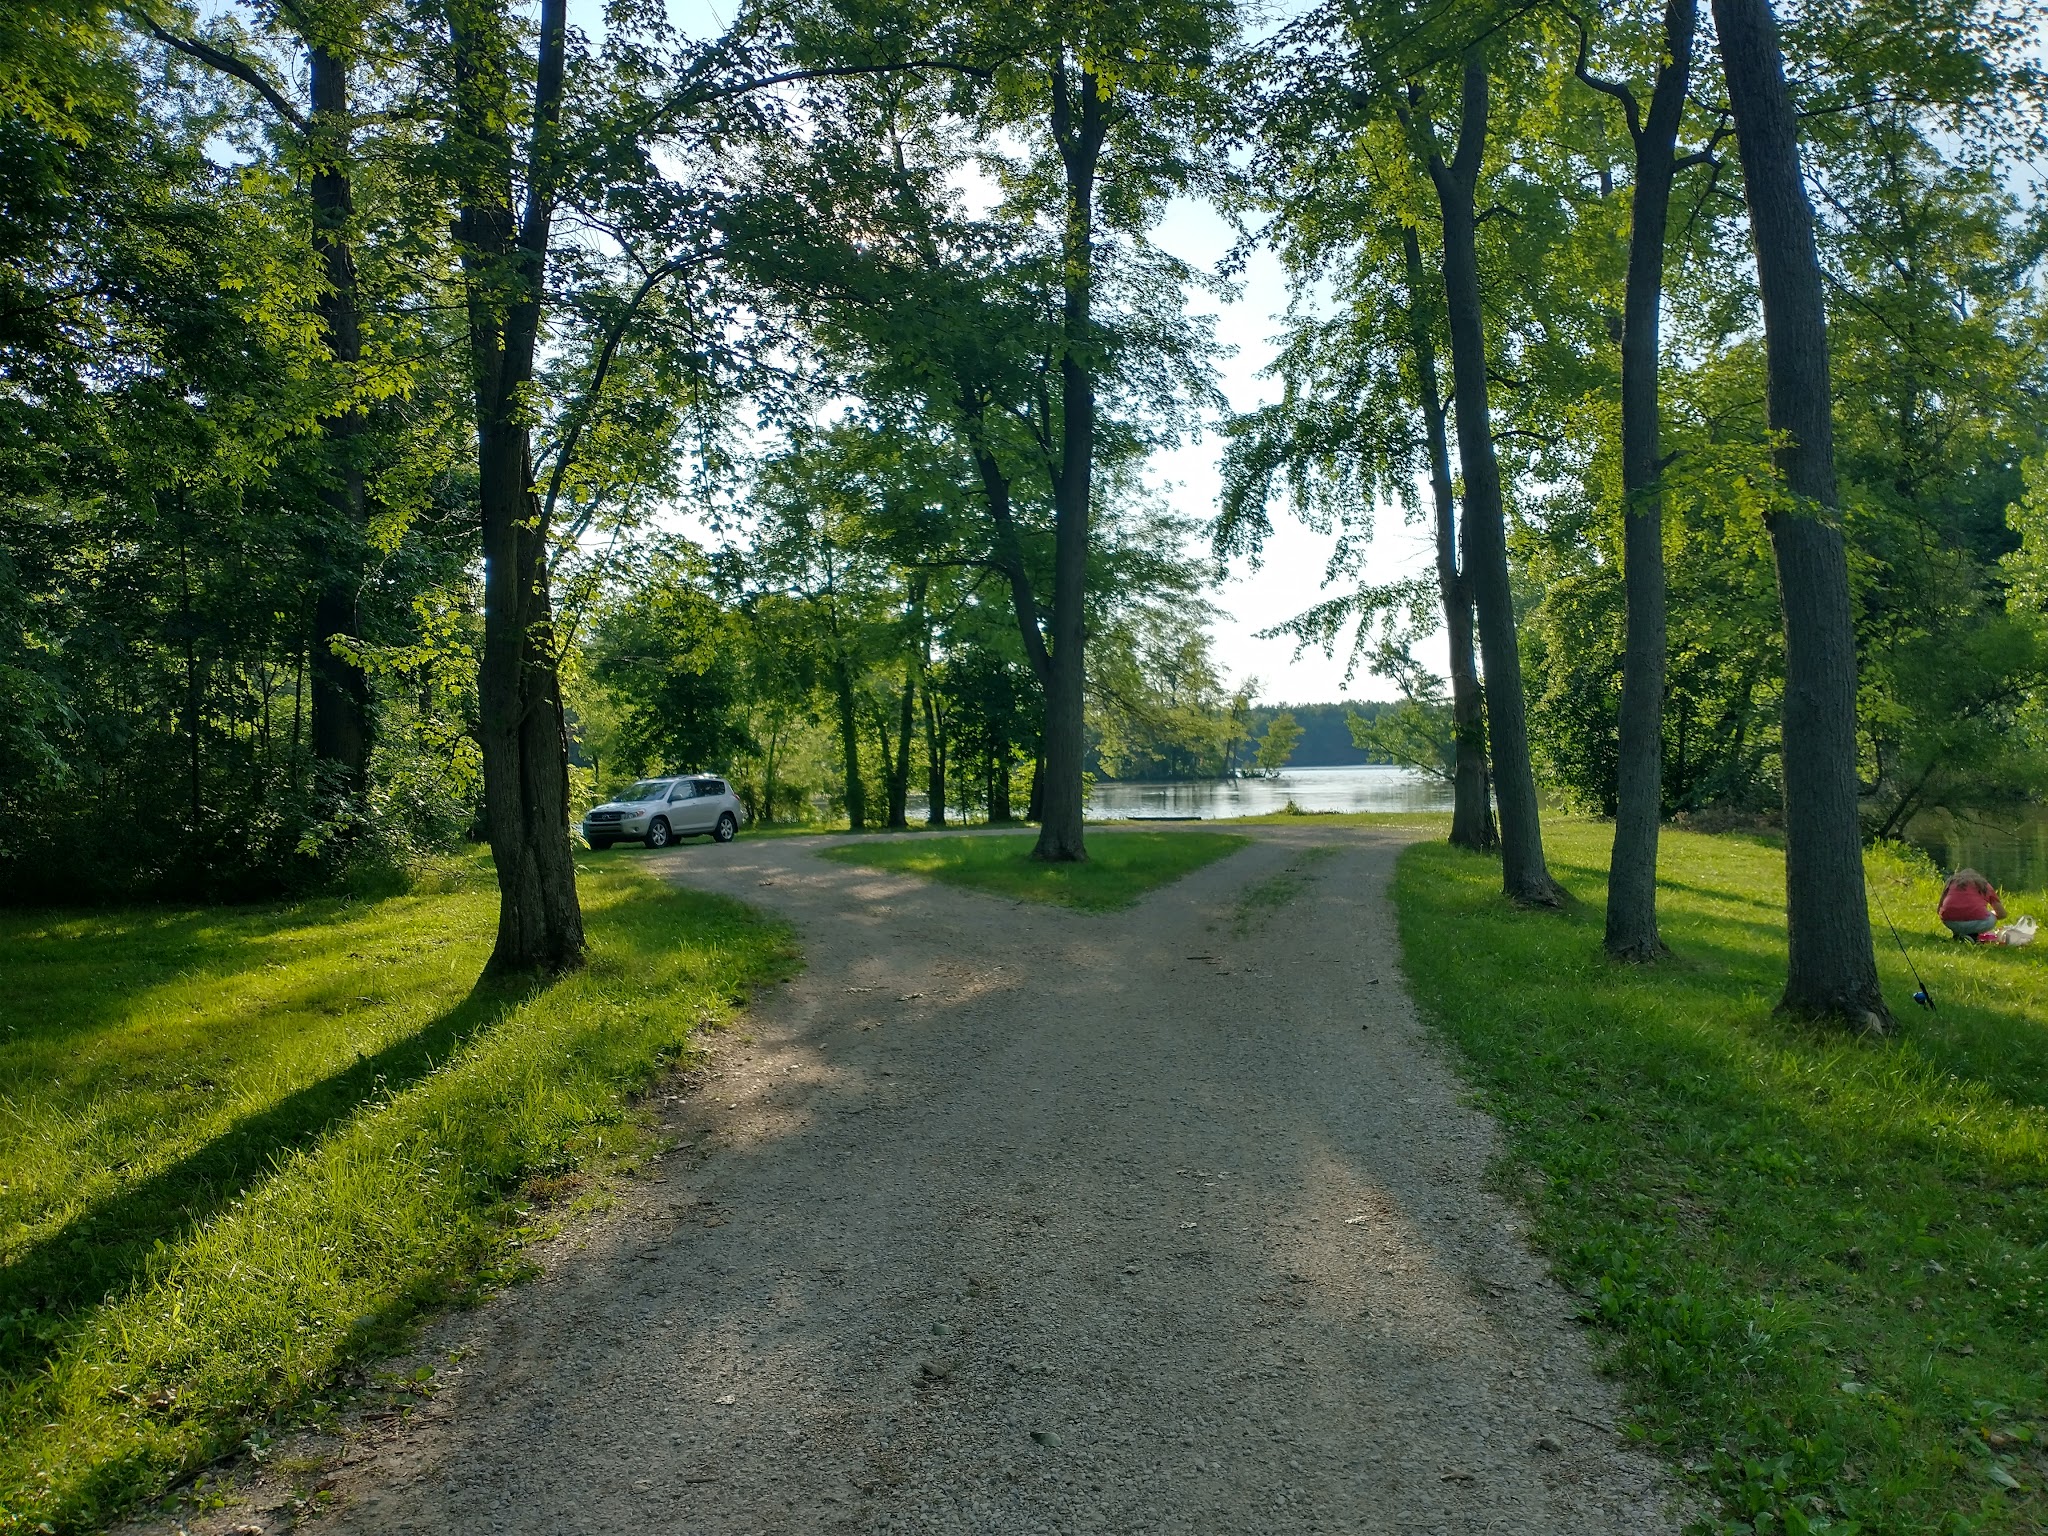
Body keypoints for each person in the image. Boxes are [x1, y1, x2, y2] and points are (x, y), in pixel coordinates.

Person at [1937, 868, 2006, 940]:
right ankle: (1971, 936)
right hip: (1975, 922)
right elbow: (2002, 914)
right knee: (1992, 918)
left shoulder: (1950, 883)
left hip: (1950, 922)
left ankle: (1960, 935)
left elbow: (1939, 910)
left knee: (1958, 918)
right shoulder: (1984, 885)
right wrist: (1992, 913)